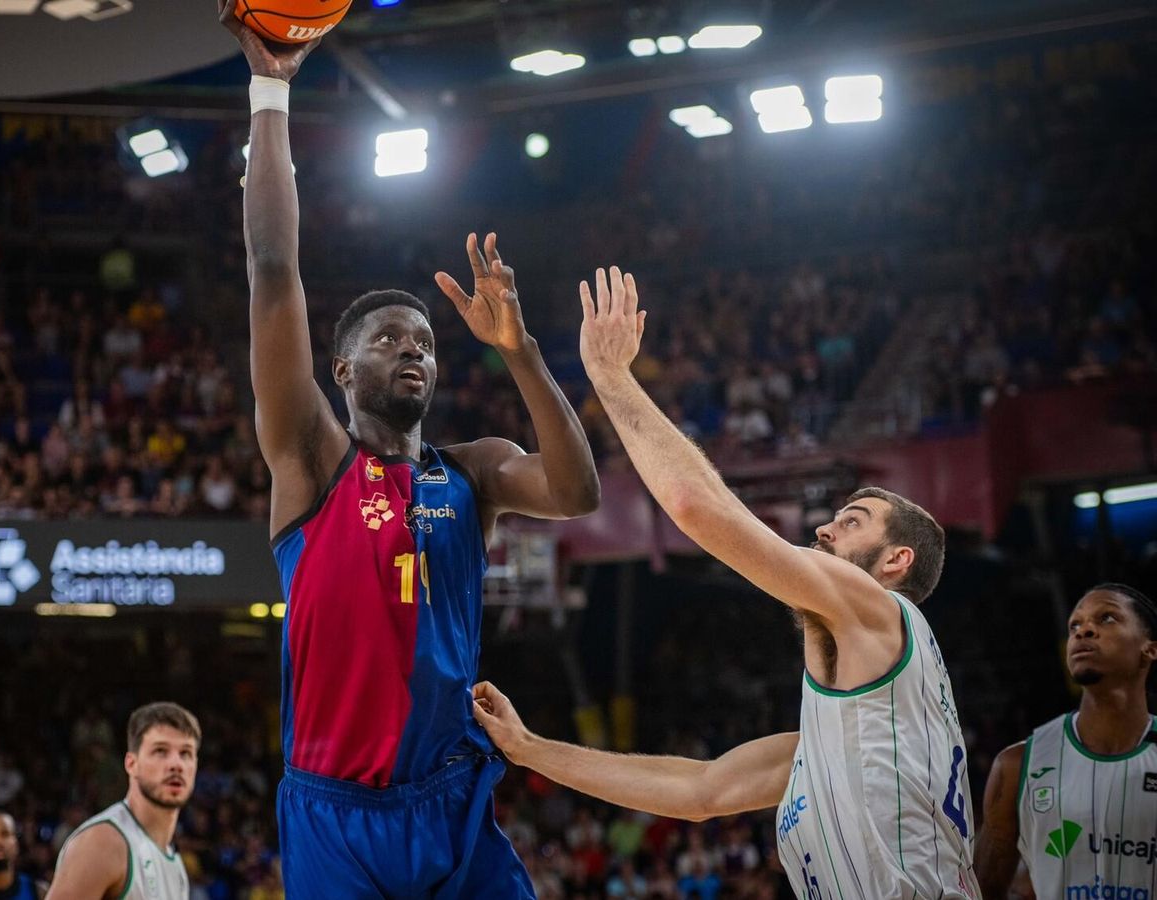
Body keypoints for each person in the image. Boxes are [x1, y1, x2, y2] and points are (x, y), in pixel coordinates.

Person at [219, 5, 600, 897]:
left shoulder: (474, 470)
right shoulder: (313, 459)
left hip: (452, 798)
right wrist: (270, 91)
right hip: (336, 813)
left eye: (425, 341)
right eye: (389, 339)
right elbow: (272, 269)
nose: (414, 350)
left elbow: (577, 492)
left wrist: (520, 350)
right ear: (342, 369)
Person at [473, 267, 977, 898]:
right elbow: (698, 791)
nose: (824, 529)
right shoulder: (849, 735)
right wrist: (527, 748)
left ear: (896, 561)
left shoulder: (879, 608)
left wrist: (610, 377)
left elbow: (696, 507)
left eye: (852, 522)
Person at [975, 583, 1157, 900]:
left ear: (1150, 649)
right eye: (1075, 625)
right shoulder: (1017, 766)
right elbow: (983, 892)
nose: (1084, 631)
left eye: (1107, 618)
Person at [47, 703, 197, 900]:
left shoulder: (176, 866)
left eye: (185, 753)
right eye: (161, 751)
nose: (176, 764)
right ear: (131, 764)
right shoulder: (102, 843)